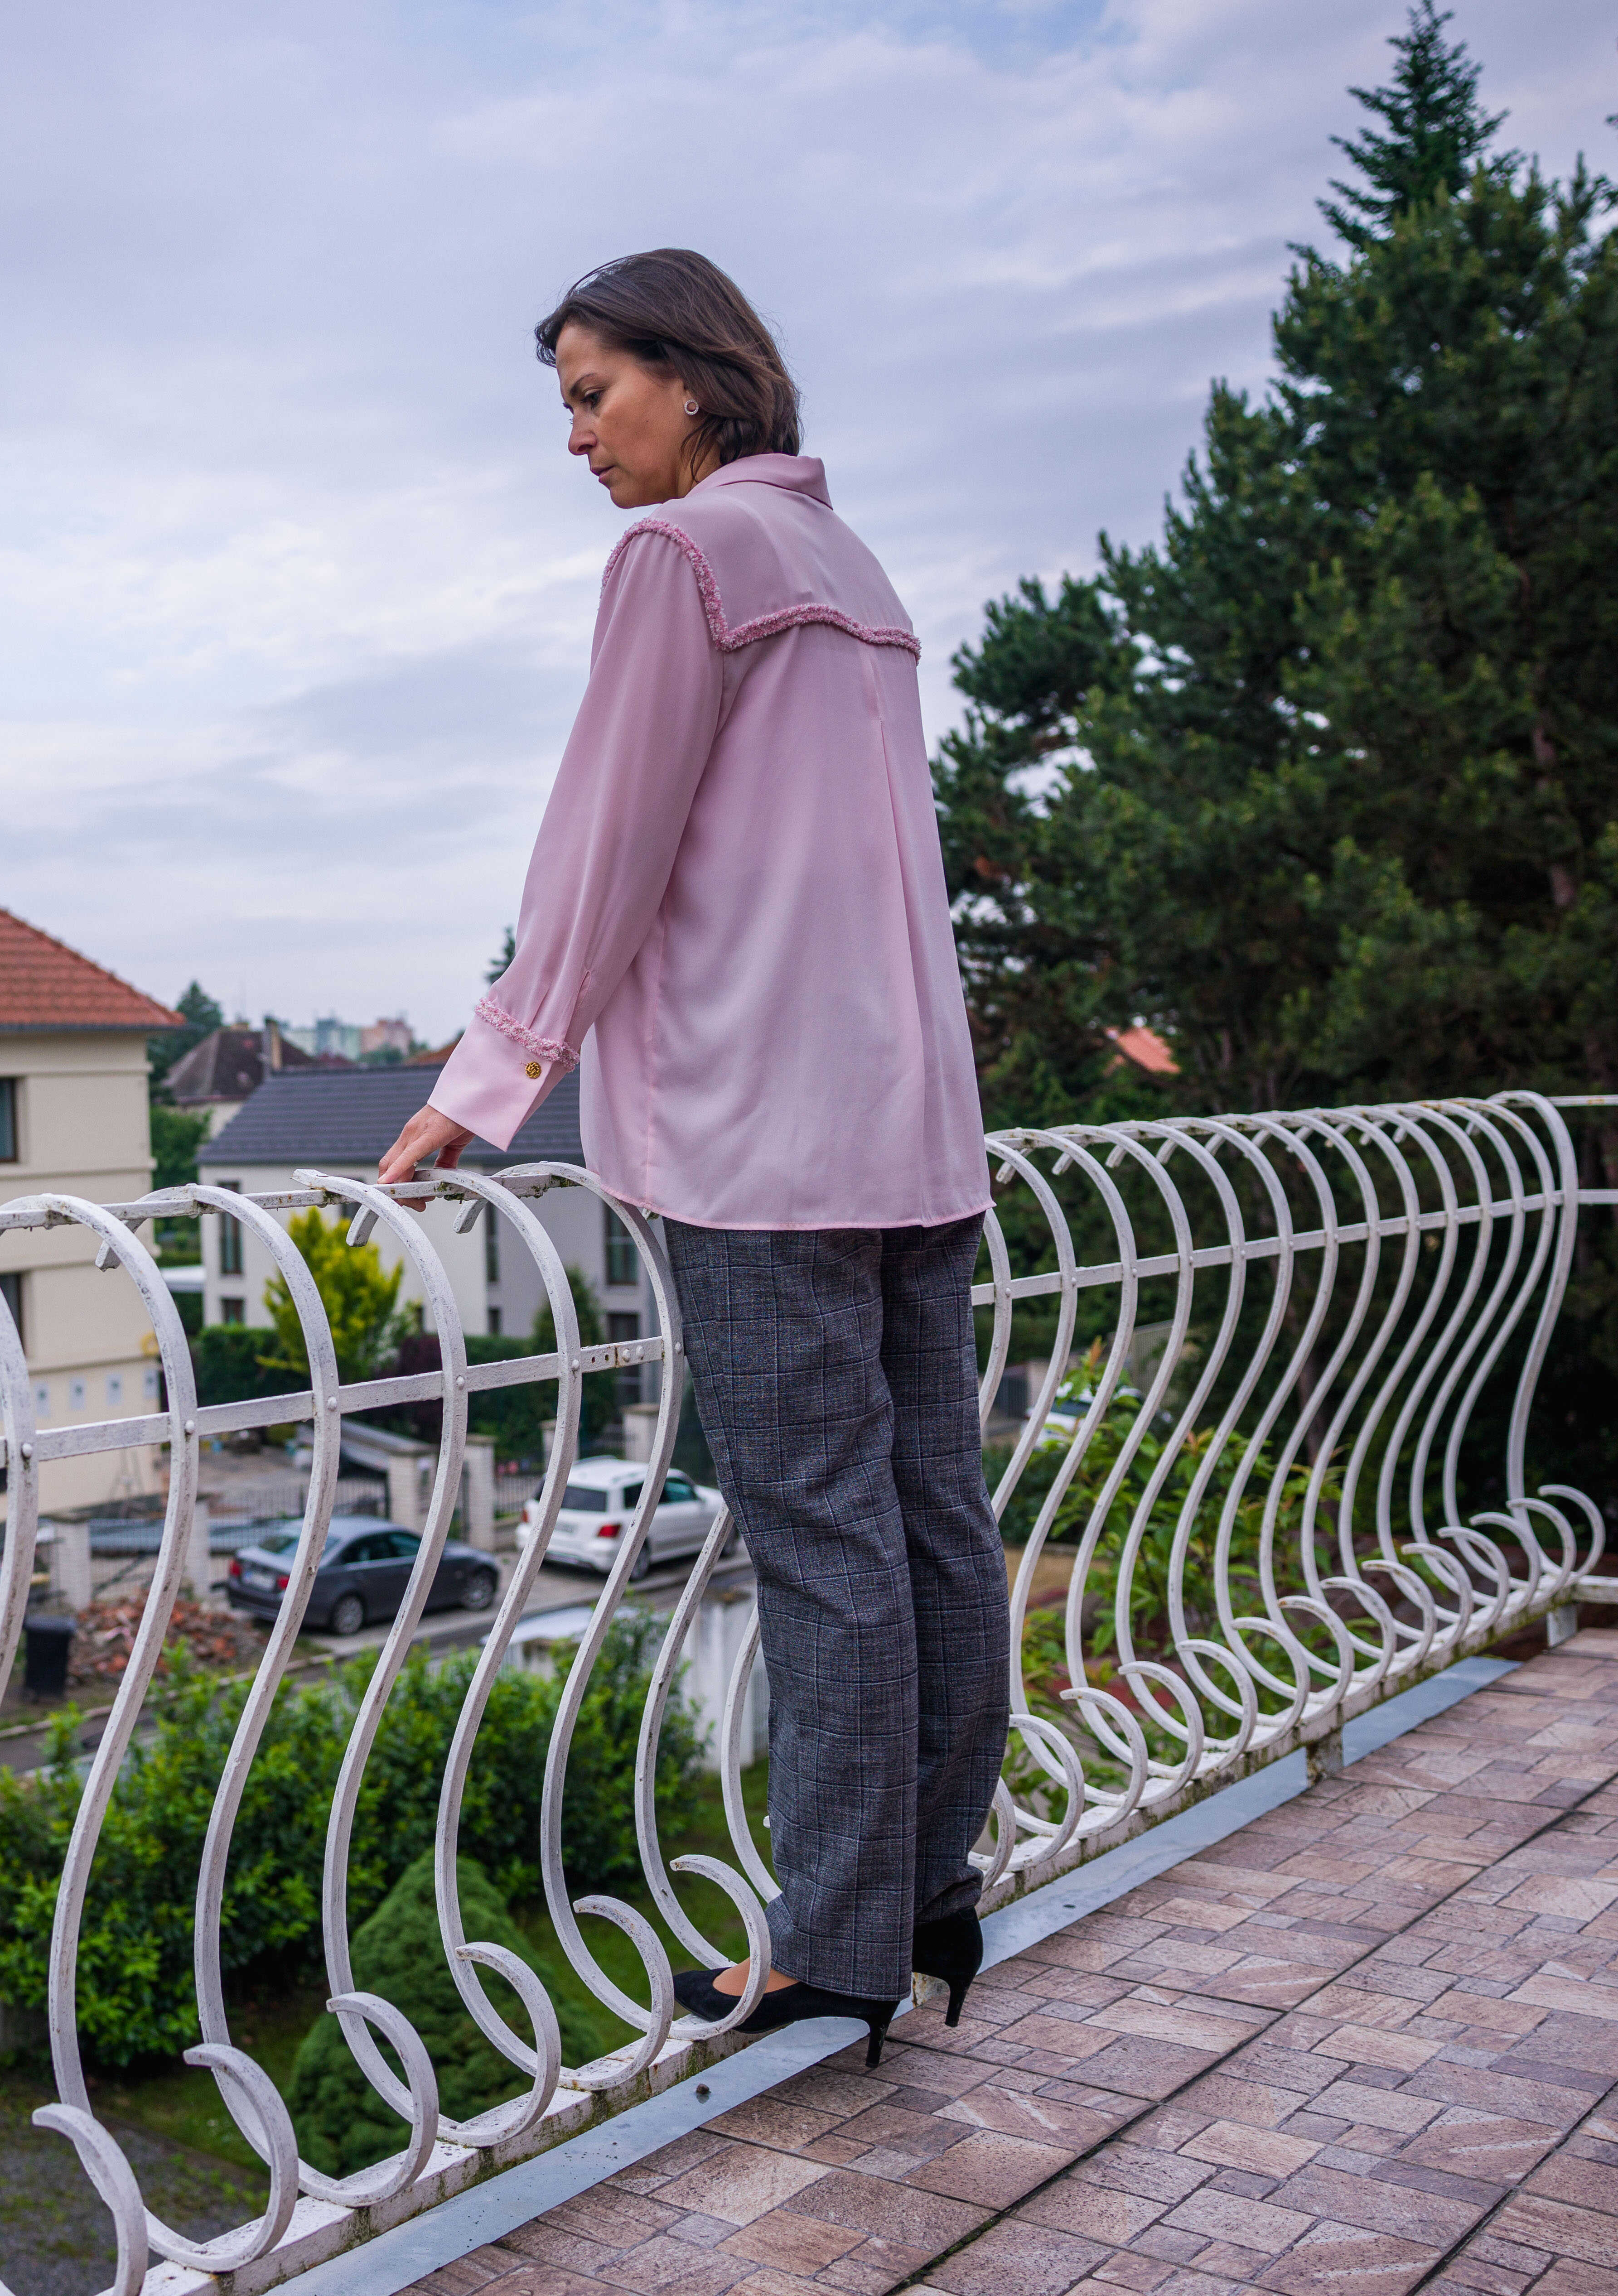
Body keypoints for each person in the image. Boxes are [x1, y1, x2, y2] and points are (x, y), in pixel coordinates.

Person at [374, 248, 1004, 2069]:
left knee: (821, 1538)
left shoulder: (685, 558)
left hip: (757, 1128)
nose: (575, 436)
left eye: (594, 392)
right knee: (929, 1517)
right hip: (911, 1123)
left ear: (701, 380)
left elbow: (607, 835)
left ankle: (826, 1946)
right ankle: (925, 1888)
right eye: (565, 403)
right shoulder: (853, 570)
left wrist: (494, 1067)